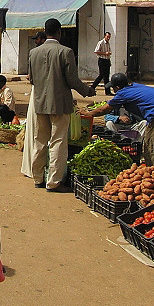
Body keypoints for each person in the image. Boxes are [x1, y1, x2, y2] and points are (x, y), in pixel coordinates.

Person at [28, 18, 95, 192]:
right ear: (60, 32)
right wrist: (87, 91)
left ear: (45, 31)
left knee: (40, 140)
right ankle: (54, 182)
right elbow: (72, 80)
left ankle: (37, 178)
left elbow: (32, 79)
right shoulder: (66, 52)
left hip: (40, 103)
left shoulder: (34, 53)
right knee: (58, 141)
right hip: (60, 104)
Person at [86, 72, 154, 173]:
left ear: (117, 87)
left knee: (153, 149)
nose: (113, 91)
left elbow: (104, 110)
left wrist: (88, 114)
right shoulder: (135, 86)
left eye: (113, 88)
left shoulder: (123, 94)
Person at [21, 31, 47, 178]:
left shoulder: (34, 53)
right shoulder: (58, 51)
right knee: (39, 132)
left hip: (37, 94)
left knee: (36, 131)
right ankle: (36, 169)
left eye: (37, 39)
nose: (35, 41)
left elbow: (30, 77)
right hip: (42, 94)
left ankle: (32, 168)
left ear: (43, 39)